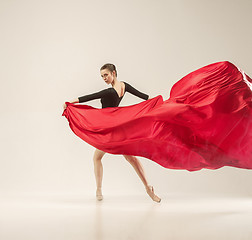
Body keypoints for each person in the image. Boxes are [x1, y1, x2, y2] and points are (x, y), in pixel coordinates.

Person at [63, 63, 161, 202]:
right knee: (130, 158)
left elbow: (90, 96)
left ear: (113, 73)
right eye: (102, 76)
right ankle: (148, 188)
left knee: (97, 158)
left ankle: (98, 190)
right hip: (118, 127)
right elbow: (145, 97)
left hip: (108, 130)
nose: (104, 78)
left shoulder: (109, 92)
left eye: (106, 75)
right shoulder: (124, 86)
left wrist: (70, 102)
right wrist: (159, 101)